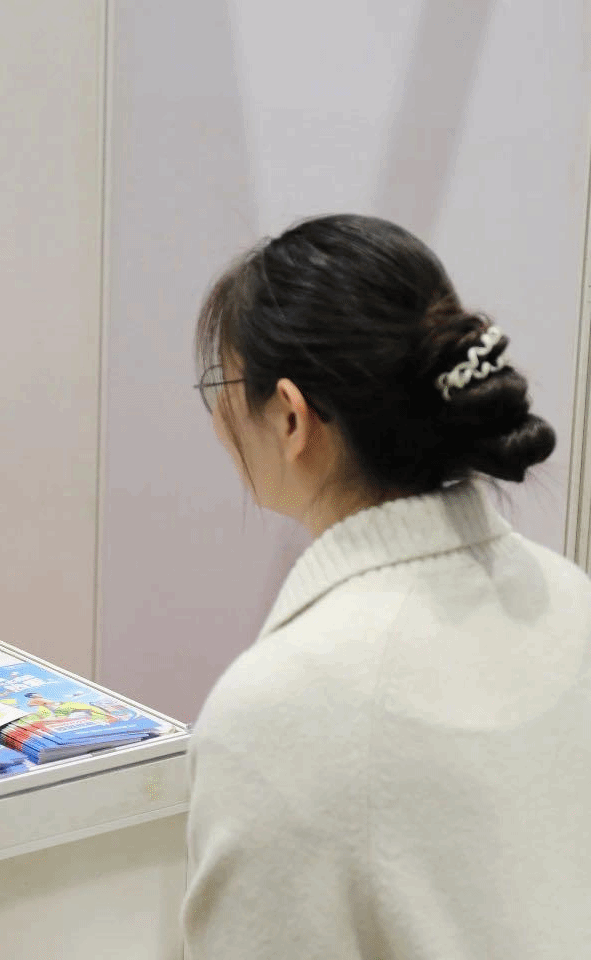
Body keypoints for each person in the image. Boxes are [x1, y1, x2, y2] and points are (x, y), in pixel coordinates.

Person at [182, 213, 591, 958]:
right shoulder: (571, 599)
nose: (218, 417)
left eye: (225, 385)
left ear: (293, 417)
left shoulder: (277, 709)